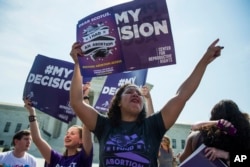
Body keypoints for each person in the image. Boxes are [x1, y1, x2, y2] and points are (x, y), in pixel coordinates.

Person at [69, 38, 224, 167]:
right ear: (118, 102)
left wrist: (204, 61)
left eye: (138, 93)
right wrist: (78, 64)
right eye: (129, 91)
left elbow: (181, 96)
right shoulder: (105, 126)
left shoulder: (152, 127)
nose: (136, 94)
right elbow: (77, 102)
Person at [23, 83, 93, 167]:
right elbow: (37, 139)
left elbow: (87, 122)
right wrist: (31, 112)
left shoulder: (83, 158)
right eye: (67, 133)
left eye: (72, 134)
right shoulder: (56, 159)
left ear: (81, 140)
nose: (67, 136)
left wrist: (85, 97)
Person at [179, 99, 250, 166]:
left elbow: (182, 160)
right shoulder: (245, 136)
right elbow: (194, 126)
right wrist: (218, 122)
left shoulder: (198, 136)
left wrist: (224, 154)